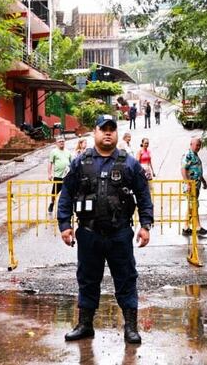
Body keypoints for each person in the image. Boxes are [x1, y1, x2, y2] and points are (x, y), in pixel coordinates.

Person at [57, 114, 154, 344]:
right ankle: (85, 325)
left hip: (119, 233)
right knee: (87, 279)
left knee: (126, 279)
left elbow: (143, 194)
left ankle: (130, 327)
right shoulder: (81, 162)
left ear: (117, 133)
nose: (108, 133)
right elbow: (67, 194)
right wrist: (64, 224)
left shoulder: (128, 162)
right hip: (89, 234)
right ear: (95, 133)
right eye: (103, 129)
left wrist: (146, 225)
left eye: (112, 129)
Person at [180, 137, 207, 236]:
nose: (198, 147)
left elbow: (198, 171)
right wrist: (187, 183)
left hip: (196, 185)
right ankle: (197, 227)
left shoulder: (195, 155)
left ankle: (186, 227)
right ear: (191, 144)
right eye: (196, 145)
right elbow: (183, 170)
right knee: (194, 205)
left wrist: (204, 181)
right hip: (190, 185)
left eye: (199, 145)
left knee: (192, 205)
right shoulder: (188, 155)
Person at [47, 137, 72, 213]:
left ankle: (67, 206)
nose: (61, 143)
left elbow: (71, 163)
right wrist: (49, 174)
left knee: (68, 192)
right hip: (58, 176)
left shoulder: (68, 152)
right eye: (60, 141)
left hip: (67, 176)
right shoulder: (54, 152)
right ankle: (52, 203)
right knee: (54, 193)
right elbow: (50, 163)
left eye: (63, 141)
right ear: (56, 143)